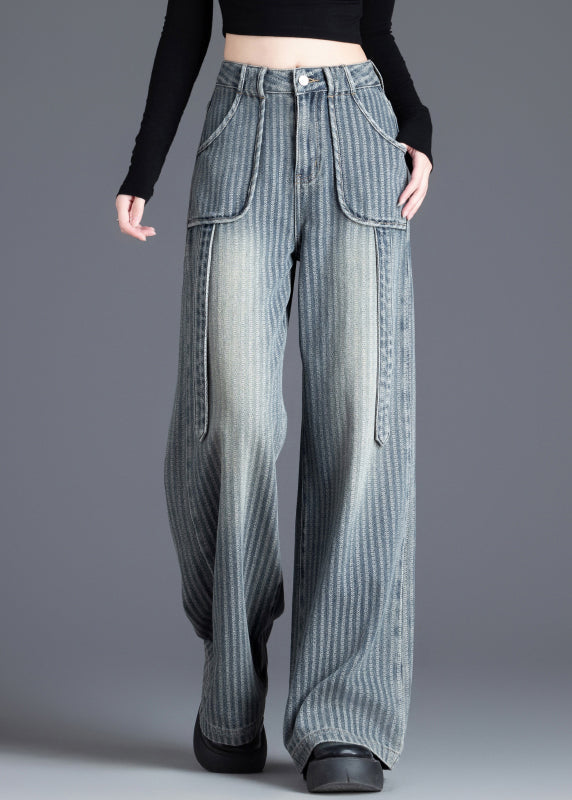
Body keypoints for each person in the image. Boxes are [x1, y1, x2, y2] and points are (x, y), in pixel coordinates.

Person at [115, 0, 433, 793]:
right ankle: (229, 690)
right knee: (233, 418)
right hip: (242, 125)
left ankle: (344, 718)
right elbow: (187, 23)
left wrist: (418, 126)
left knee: (362, 424)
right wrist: (143, 168)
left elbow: (374, 28)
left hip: (359, 128)